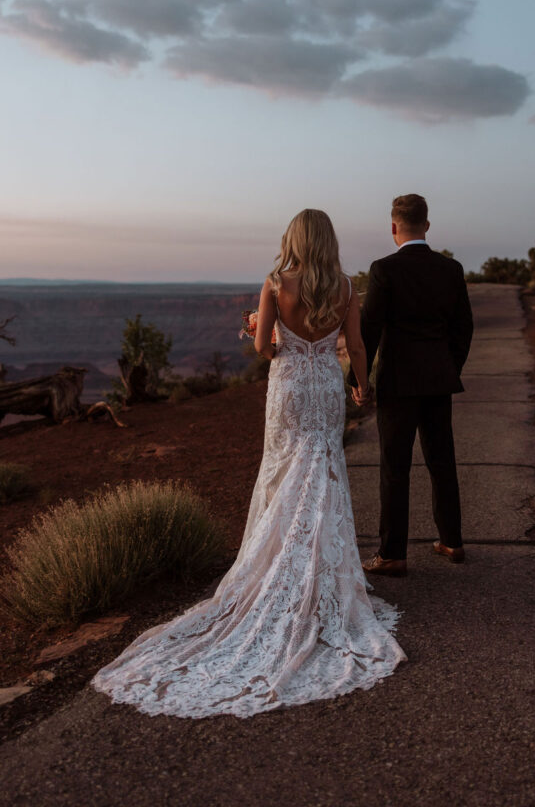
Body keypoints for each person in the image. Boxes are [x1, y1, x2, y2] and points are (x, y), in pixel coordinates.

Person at [91, 209, 406, 718]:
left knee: (283, 473)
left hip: (287, 389)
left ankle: (273, 568)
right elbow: (357, 344)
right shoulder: (347, 287)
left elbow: (264, 349)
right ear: (328, 240)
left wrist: (266, 329)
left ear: (294, 239)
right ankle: (320, 575)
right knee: (323, 472)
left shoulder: (276, 281)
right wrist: (361, 385)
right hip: (326, 384)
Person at [349, 194, 473, 577]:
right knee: (442, 461)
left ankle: (392, 554)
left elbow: (368, 328)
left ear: (393, 227)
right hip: (438, 380)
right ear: (427, 225)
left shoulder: (384, 270)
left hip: (398, 382)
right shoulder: (450, 269)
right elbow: (463, 328)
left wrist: (358, 379)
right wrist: (448, 366)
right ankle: (452, 541)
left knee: (394, 467)